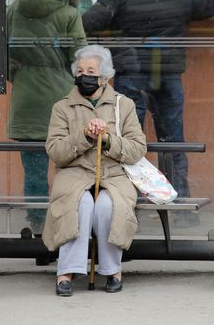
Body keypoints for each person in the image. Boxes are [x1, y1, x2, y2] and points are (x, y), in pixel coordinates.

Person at [82, 0, 214, 227]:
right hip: (168, 72)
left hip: (132, 71)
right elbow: (208, 7)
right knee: (173, 140)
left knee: (127, 141)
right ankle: (179, 208)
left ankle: (126, 207)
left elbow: (92, 21)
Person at [43, 45, 146, 296]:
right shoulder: (62, 107)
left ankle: (112, 270)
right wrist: (85, 136)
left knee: (106, 206)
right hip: (74, 173)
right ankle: (66, 271)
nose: (84, 76)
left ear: (105, 76)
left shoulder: (125, 105)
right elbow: (55, 151)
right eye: (80, 71)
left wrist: (108, 139)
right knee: (81, 204)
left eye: (91, 71)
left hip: (114, 174)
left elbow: (137, 148)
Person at [7, 0, 87, 234]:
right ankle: (66, 227)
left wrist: (20, 73)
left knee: (34, 173)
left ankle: (39, 228)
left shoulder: (14, 9)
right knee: (69, 169)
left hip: (26, 100)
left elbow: (3, 52)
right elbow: (80, 58)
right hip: (61, 99)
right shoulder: (69, 12)